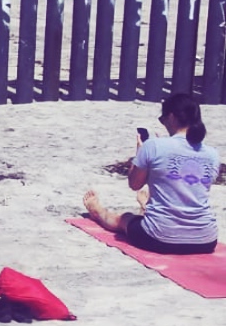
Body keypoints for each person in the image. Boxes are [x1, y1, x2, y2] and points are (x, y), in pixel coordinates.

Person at [83, 93, 219, 255]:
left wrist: (140, 154)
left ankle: (97, 210)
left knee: (125, 219)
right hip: (206, 240)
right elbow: (190, 190)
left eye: (163, 119)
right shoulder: (212, 154)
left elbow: (135, 184)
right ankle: (147, 207)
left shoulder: (153, 146)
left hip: (159, 238)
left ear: (171, 117)